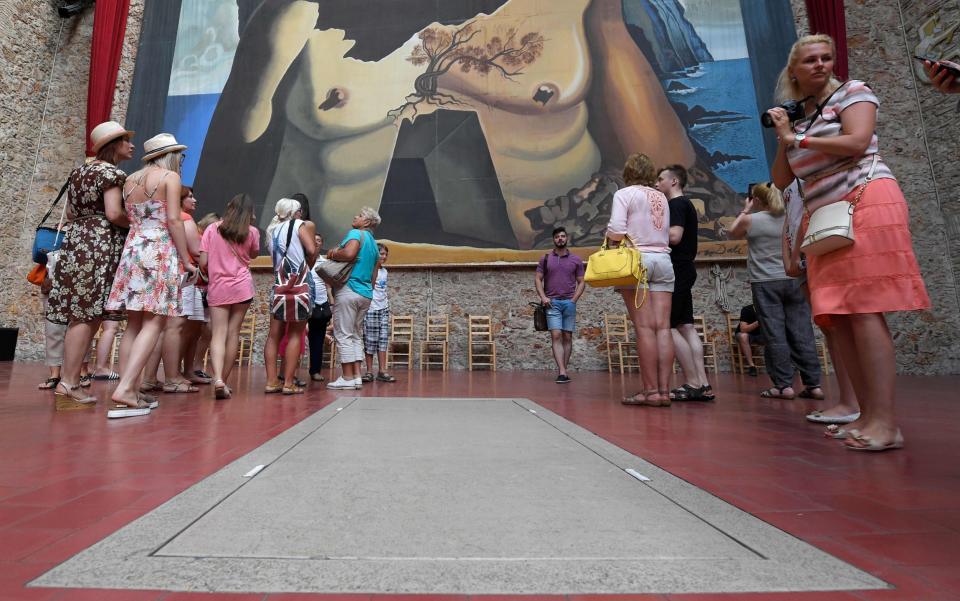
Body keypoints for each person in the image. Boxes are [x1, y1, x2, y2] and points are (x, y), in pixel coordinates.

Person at [768, 34, 930, 451]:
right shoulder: (798, 117)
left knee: (863, 310)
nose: (820, 65)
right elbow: (784, 179)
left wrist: (799, 141)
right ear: (794, 71)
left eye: (826, 58)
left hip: (863, 202)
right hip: (825, 217)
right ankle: (866, 414)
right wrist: (786, 135)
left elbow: (857, 141)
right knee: (839, 316)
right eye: (810, 60)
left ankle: (886, 423)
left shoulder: (853, 93)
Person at [106, 133, 197, 417]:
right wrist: (186, 260)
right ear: (170, 155)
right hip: (159, 249)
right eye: (180, 156)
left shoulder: (130, 179)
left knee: (133, 324)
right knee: (155, 322)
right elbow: (173, 220)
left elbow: (123, 216)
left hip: (133, 248)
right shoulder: (170, 178)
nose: (181, 161)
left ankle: (128, 387)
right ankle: (126, 388)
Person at [46, 121, 134, 410]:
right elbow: (112, 213)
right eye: (126, 140)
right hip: (100, 246)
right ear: (114, 145)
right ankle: (70, 383)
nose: (131, 145)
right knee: (87, 316)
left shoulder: (79, 172)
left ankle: (69, 381)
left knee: (81, 314)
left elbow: (70, 212)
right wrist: (134, 224)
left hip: (77, 243)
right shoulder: (111, 173)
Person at [727, 182, 822, 401]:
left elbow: (732, 232)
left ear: (757, 200)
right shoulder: (791, 219)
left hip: (765, 282)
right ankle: (813, 384)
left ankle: (783, 386)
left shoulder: (752, 219)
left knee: (774, 333)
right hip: (793, 279)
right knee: (802, 332)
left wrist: (745, 209)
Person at [607, 153, 675, 406]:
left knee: (644, 328)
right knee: (663, 328)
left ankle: (650, 392)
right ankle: (666, 391)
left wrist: (610, 237)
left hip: (637, 262)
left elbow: (616, 229)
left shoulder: (624, 194)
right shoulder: (661, 197)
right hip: (663, 261)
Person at [657, 165, 713, 401]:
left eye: (661, 179)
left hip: (678, 269)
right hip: (685, 268)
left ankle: (692, 382)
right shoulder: (686, 204)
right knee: (686, 326)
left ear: (674, 182)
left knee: (668, 326)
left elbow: (674, 236)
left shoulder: (676, 204)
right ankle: (703, 383)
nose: (656, 183)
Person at [200, 193, 260, 399]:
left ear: (229, 207)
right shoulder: (251, 232)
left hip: (218, 287)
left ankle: (217, 378)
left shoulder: (211, 229)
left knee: (218, 333)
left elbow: (203, 262)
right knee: (234, 333)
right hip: (242, 287)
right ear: (250, 213)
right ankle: (223, 381)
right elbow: (253, 255)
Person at [264, 197, 317, 394]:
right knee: (296, 333)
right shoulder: (297, 225)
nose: (301, 213)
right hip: (299, 285)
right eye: (299, 210)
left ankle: (271, 381)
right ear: (295, 212)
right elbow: (311, 250)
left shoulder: (272, 230)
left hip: (279, 285)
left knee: (274, 335)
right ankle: (288, 382)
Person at [325, 207, 381, 390]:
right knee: (356, 334)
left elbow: (349, 254)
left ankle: (347, 377)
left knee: (343, 334)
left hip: (349, 289)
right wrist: (368, 292)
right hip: (365, 293)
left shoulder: (355, 233)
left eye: (359, 215)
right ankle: (357, 375)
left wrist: (333, 253)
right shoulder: (373, 243)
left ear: (366, 222)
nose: (355, 216)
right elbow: (374, 272)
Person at [535, 226, 585, 383]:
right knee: (556, 335)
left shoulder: (576, 260)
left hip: (569, 302)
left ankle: (564, 369)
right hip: (552, 303)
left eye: (563, 236)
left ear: (567, 238)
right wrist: (543, 297)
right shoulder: (546, 259)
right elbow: (537, 279)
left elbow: (582, 282)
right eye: (557, 237)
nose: (560, 239)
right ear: (553, 240)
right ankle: (562, 372)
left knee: (567, 336)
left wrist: (574, 300)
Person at [362, 243, 396, 383]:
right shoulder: (368, 269)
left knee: (383, 340)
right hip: (371, 308)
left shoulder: (385, 271)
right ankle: (369, 371)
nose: (384, 256)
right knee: (370, 341)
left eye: (385, 254)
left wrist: (386, 305)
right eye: (381, 253)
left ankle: (382, 370)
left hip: (383, 309)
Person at [307, 233, 333, 382]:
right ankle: (289, 373)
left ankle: (315, 371)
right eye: (313, 240)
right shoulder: (302, 260)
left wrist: (331, 303)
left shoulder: (325, 262)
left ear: (322, 244)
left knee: (317, 340)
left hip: (320, 304)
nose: (316, 243)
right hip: (304, 303)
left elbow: (328, 285)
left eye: (319, 240)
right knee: (296, 338)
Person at [734, 304, 764, 376]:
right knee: (743, 336)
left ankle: (776, 366)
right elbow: (743, 329)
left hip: (762, 335)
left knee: (775, 336)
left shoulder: (770, 309)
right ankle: (752, 366)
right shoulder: (747, 309)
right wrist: (759, 322)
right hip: (747, 334)